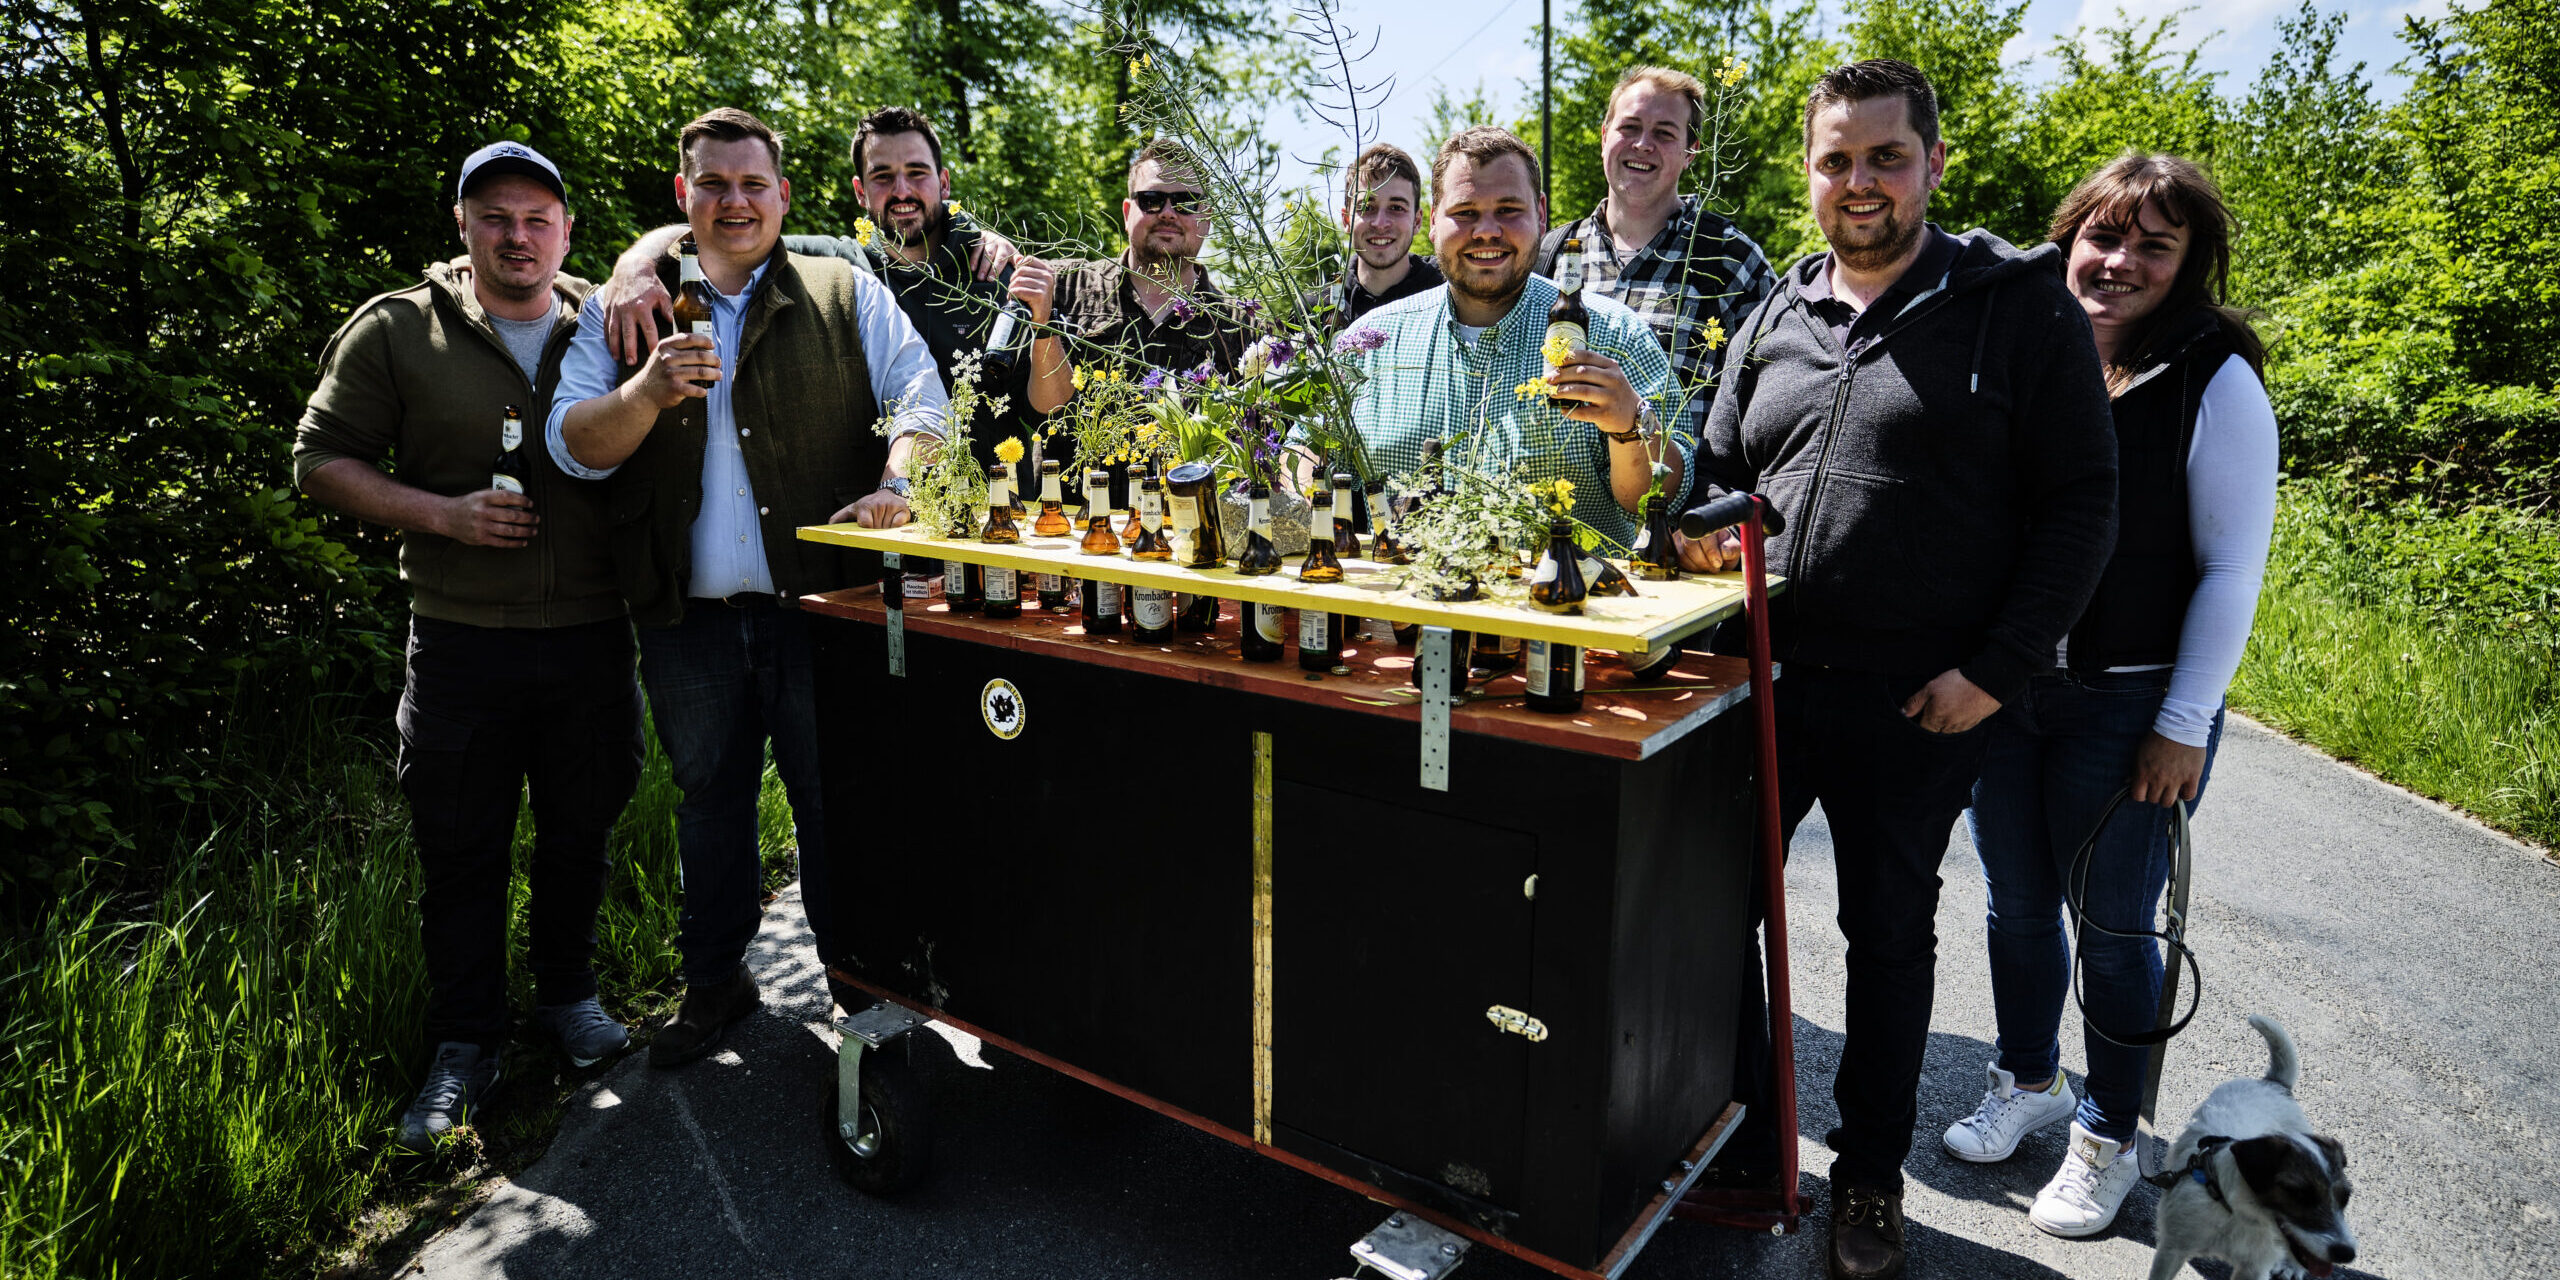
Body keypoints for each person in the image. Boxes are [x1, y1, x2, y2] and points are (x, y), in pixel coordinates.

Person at [1673, 60, 2118, 1280]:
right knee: (1704, 914)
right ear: (1807, 172)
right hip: (1757, 685)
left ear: (1930, 159)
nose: (1857, 181)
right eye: (1834, 159)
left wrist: (1995, 669)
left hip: (1917, 701)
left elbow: (2083, 503)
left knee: (1885, 933)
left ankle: (1866, 1175)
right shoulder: (1774, 311)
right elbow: (1715, 466)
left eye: (1882, 156)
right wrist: (1697, 527)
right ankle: (1739, 1135)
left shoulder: (2015, 308)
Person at [548, 108, 948, 1069]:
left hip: (820, 609)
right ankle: (714, 984)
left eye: (754, 185)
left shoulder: (841, 291)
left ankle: (862, 990)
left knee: (834, 801)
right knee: (708, 803)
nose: (736, 202)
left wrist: (898, 484)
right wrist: (648, 388)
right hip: (686, 617)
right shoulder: (631, 310)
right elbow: (574, 445)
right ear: (682, 197)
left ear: (782, 196)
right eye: (714, 186)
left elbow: (924, 394)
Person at [1939, 152, 2276, 1240]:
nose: (2119, 261)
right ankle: (2026, 1078)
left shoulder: (2212, 375)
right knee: (2015, 905)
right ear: (2067, 238)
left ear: (2187, 264)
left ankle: (2107, 1134)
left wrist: (2182, 724)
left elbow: (2231, 567)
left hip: (2132, 707)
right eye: (2102, 236)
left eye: (2152, 244)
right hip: (2011, 691)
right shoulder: (2026, 348)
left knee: (2120, 929)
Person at [295, 142, 643, 1150]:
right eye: (496, 215)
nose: (518, 235)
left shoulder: (612, 322)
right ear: (463, 224)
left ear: (568, 230)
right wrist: (440, 517)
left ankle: (569, 1001)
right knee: (460, 849)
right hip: (458, 643)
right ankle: (464, 1041)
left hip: (588, 635)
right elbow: (320, 460)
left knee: (580, 828)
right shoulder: (400, 330)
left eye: (538, 217)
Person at [1342, 126, 1681, 550]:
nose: (1486, 231)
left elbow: (1663, 499)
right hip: (1401, 610)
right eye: (1464, 212)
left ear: (1540, 214)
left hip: (1565, 607)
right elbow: (1303, 456)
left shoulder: (1615, 334)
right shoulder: (1370, 342)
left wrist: (1629, 427)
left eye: (1507, 210)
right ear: (1432, 222)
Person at [1535, 66, 1777, 448]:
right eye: (1629, 127)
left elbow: (1767, 410)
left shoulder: (1731, 260)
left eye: (1664, 133)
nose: (1643, 144)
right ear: (1603, 137)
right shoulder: (1552, 254)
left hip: (1671, 503)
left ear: (1691, 153)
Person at [1050, 137, 1250, 377]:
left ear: (1206, 220)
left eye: (1185, 202)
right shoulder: (1061, 287)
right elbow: (1010, 274)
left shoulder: (1242, 329)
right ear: (1127, 213)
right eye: (1151, 200)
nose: (1168, 213)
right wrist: (992, 246)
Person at [1302, 141, 1443, 331]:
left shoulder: (1448, 291)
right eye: (1367, 207)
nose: (1380, 223)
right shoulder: (1315, 311)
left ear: (1417, 221)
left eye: (1396, 208)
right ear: (1346, 220)